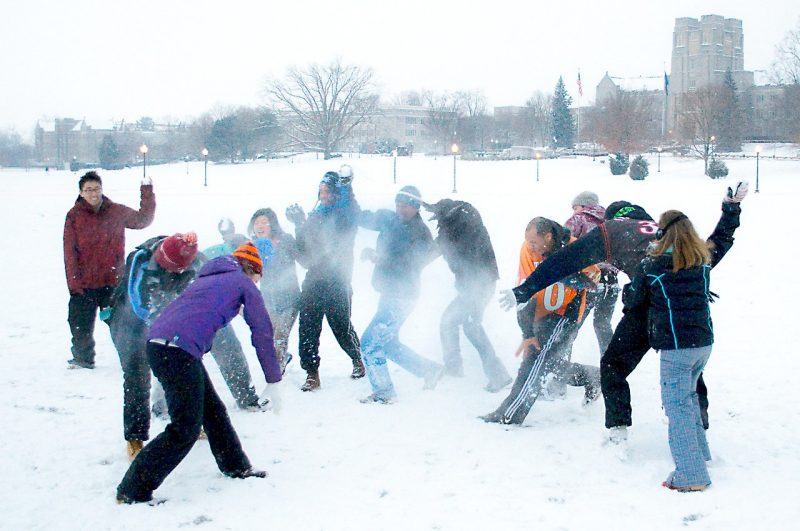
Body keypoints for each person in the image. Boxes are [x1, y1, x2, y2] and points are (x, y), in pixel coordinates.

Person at [500, 183, 747, 441]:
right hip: (683, 314)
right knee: (689, 371)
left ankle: (618, 433)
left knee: (613, 365)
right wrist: (731, 209)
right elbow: (716, 246)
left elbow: (565, 260)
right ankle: (698, 431)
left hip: (646, 307)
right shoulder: (668, 233)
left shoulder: (612, 231)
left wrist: (524, 290)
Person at [116, 242, 280, 505]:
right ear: (252, 269)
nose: (256, 284)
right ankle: (132, 489)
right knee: (185, 429)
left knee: (212, 411)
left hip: (163, 345)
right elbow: (261, 330)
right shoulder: (241, 281)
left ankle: (235, 466)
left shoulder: (206, 277)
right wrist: (273, 378)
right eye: (258, 278)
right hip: (177, 350)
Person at [108, 233, 264, 460]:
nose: (178, 273)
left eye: (182, 269)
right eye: (173, 269)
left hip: (176, 318)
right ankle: (135, 437)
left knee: (222, 344)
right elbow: (138, 302)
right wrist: (171, 331)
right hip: (133, 320)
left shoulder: (198, 261)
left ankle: (244, 396)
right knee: (137, 373)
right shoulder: (141, 261)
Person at [624, 211, 718, 492]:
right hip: (703, 344)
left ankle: (691, 475)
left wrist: (628, 286)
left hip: (677, 347)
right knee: (688, 400)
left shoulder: (653, 266)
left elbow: (633, 299)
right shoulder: (702, 263)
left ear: (662, 234)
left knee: (677, 407)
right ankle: (700, 456)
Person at [481, 217, 601, 424]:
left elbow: (592, 282)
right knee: (549, 362)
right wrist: (527, 333)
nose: (531, 247)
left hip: (567, 312)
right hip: (540, 310)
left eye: (535, 242)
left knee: (536, 360)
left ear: (548, 236)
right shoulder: (527, 250)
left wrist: (568, 277)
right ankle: (592, 376)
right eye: (528, 242)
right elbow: (525, 293)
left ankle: (509, 415)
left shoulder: (575, 248)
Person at [357, 186, 443, 403]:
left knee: (370, 342)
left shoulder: (420, 233)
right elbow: (365, 219)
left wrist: (379, 258)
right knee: (388, 344)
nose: (400, 209)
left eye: (405, 205)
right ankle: (429, 370)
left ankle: (384, 392)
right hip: (390, 292)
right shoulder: (394, 221)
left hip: (402, 296)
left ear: (415, 207)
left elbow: (411, 263)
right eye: (397, 204)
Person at [63, 171, 155, 369]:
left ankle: (134, 358)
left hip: (113, 282)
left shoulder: (115, 211)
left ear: (102, 189)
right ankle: (82, 358)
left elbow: (143, 219)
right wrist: (73, 284)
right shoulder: (73, 217)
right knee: (79, 324)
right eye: (88, 190)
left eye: (96, 189)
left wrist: (147, 192)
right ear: (81, 192)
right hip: (84, 284)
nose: (93, 193)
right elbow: (69, 252)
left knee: (124, 324)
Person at [286, 170, 365, 391]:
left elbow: (348, 218)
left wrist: (346, 187)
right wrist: (299, 225)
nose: (323, 196)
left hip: (338, 280)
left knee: (341, 326)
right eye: (320, 191)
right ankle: (312, 373)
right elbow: (305, 255)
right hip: (313, 280)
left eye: (328, 191)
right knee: (308, 328)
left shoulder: (345, 214)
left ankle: (358, 358)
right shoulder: (315, 215)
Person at [424, 199, 511, 392]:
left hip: (478, 286)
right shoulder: (463, 224)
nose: (437, 222)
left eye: (439, 218)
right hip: (475, 286)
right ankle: (455, 368)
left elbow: (437, 249)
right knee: (452, 322)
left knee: (468, 326)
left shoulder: (460, 228)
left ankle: (498, 375)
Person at [565, 191, 620, 354]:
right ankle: (610, 367)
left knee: (571, 325)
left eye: (575, 207)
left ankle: (559, 367)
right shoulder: (610, 221)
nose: (573, 211)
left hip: (588, 280)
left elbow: (563, 245)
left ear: (583, 206)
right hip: (611, 282)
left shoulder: (578, 219)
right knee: (603, 325)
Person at [248, 207, 301, 372]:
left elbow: (302, 257)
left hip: (289, 297)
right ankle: (282, 358)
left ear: (273, 224)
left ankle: (276, 372)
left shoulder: (285, 240)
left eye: (264, 222)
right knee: (270, 336)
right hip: (268, 298)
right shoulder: (252, 246)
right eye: (256, 223)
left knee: (280, 336)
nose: (260, 226)